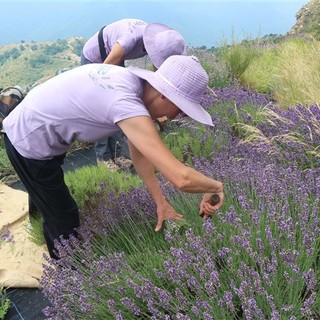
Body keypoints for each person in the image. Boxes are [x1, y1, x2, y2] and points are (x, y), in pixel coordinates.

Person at [3, 55, 224, 259]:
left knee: (48, 195)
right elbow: (181, 178)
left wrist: (161, 203)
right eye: (181, 108)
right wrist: (215, 187)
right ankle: (68, 276)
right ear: (164, 94)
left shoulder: (132, 84)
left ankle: (39, 212)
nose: (176, 116)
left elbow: (140, 158)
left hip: (44, 133)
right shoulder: (125, 103)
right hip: (27, 140)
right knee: (63, 217)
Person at [81, 18, 185, 171]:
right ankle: (103, 157)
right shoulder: (129, 40)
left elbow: (158, 75)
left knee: (117, 107)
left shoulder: (161, 41)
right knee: (105, 107)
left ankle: (116, 154)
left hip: (115, 57)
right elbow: (102, 72)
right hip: (97, 61)